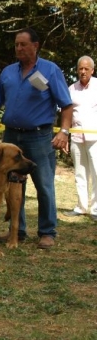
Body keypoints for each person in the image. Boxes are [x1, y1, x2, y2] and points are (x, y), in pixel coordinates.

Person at [0, 27, 73, 249]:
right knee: (12, 185)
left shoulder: (49, 71)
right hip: (11, 137)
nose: (19, 48)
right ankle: (17, 231)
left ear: (35, 46)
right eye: (16, 45)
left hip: (39, 137)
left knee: (44, 184)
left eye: (23, 44)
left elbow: (66, 105)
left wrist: (64, 132)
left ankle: (47, 232)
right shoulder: (8, 72)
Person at [64, 55, 97, 221]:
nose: (83, 72)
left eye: (86, 69)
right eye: (80, 69)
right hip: (76, 135)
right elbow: (66, 112)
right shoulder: (72, 88)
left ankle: (96, 209)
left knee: (96, 173)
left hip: (95, 137)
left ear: (92, 70)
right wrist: (65, 134)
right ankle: (81, 206)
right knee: (80, 173)